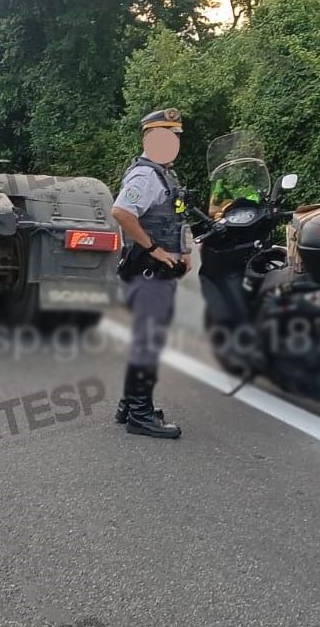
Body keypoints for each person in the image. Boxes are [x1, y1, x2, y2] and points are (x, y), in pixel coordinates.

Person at [110, 108, 190, 439]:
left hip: (161, 269)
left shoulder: (164, 174)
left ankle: (130, 406)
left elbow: (175, 216)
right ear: (149, 139)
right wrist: (154, 248)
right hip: (148, 269)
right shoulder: (145, 176)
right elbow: (122, 212)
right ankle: (140, 416)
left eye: (175, 137)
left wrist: (182, 251)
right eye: (165, 137)